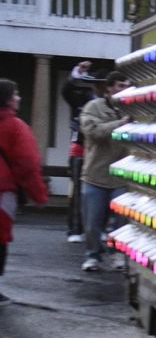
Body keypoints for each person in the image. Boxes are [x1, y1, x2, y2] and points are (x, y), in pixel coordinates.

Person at [0, 79, 50, 305]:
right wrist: (38, 194)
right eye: (16, 94)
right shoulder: (15, 126)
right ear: (8, 99)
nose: (19, 98)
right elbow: (27, 163)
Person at [77, 71, 132, 272]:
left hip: (122, 176)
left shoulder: (134, 108)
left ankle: (117, 254)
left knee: (122, 222)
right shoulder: (94, 107)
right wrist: (122, 123)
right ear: (109, 88)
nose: (124, 89)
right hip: (95, 175)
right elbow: (93, 132)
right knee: (92, 223)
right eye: (120, 85)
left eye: (126, 86)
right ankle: (92, 256)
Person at [60, 60, 99, 243]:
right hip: (80, 148)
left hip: (100, 152)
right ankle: (75, 228)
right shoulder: (82, 98)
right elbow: (67, 91)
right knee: (78, 191)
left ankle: (97, 228)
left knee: (100, 190)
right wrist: (78, 71)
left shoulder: (108, 102)